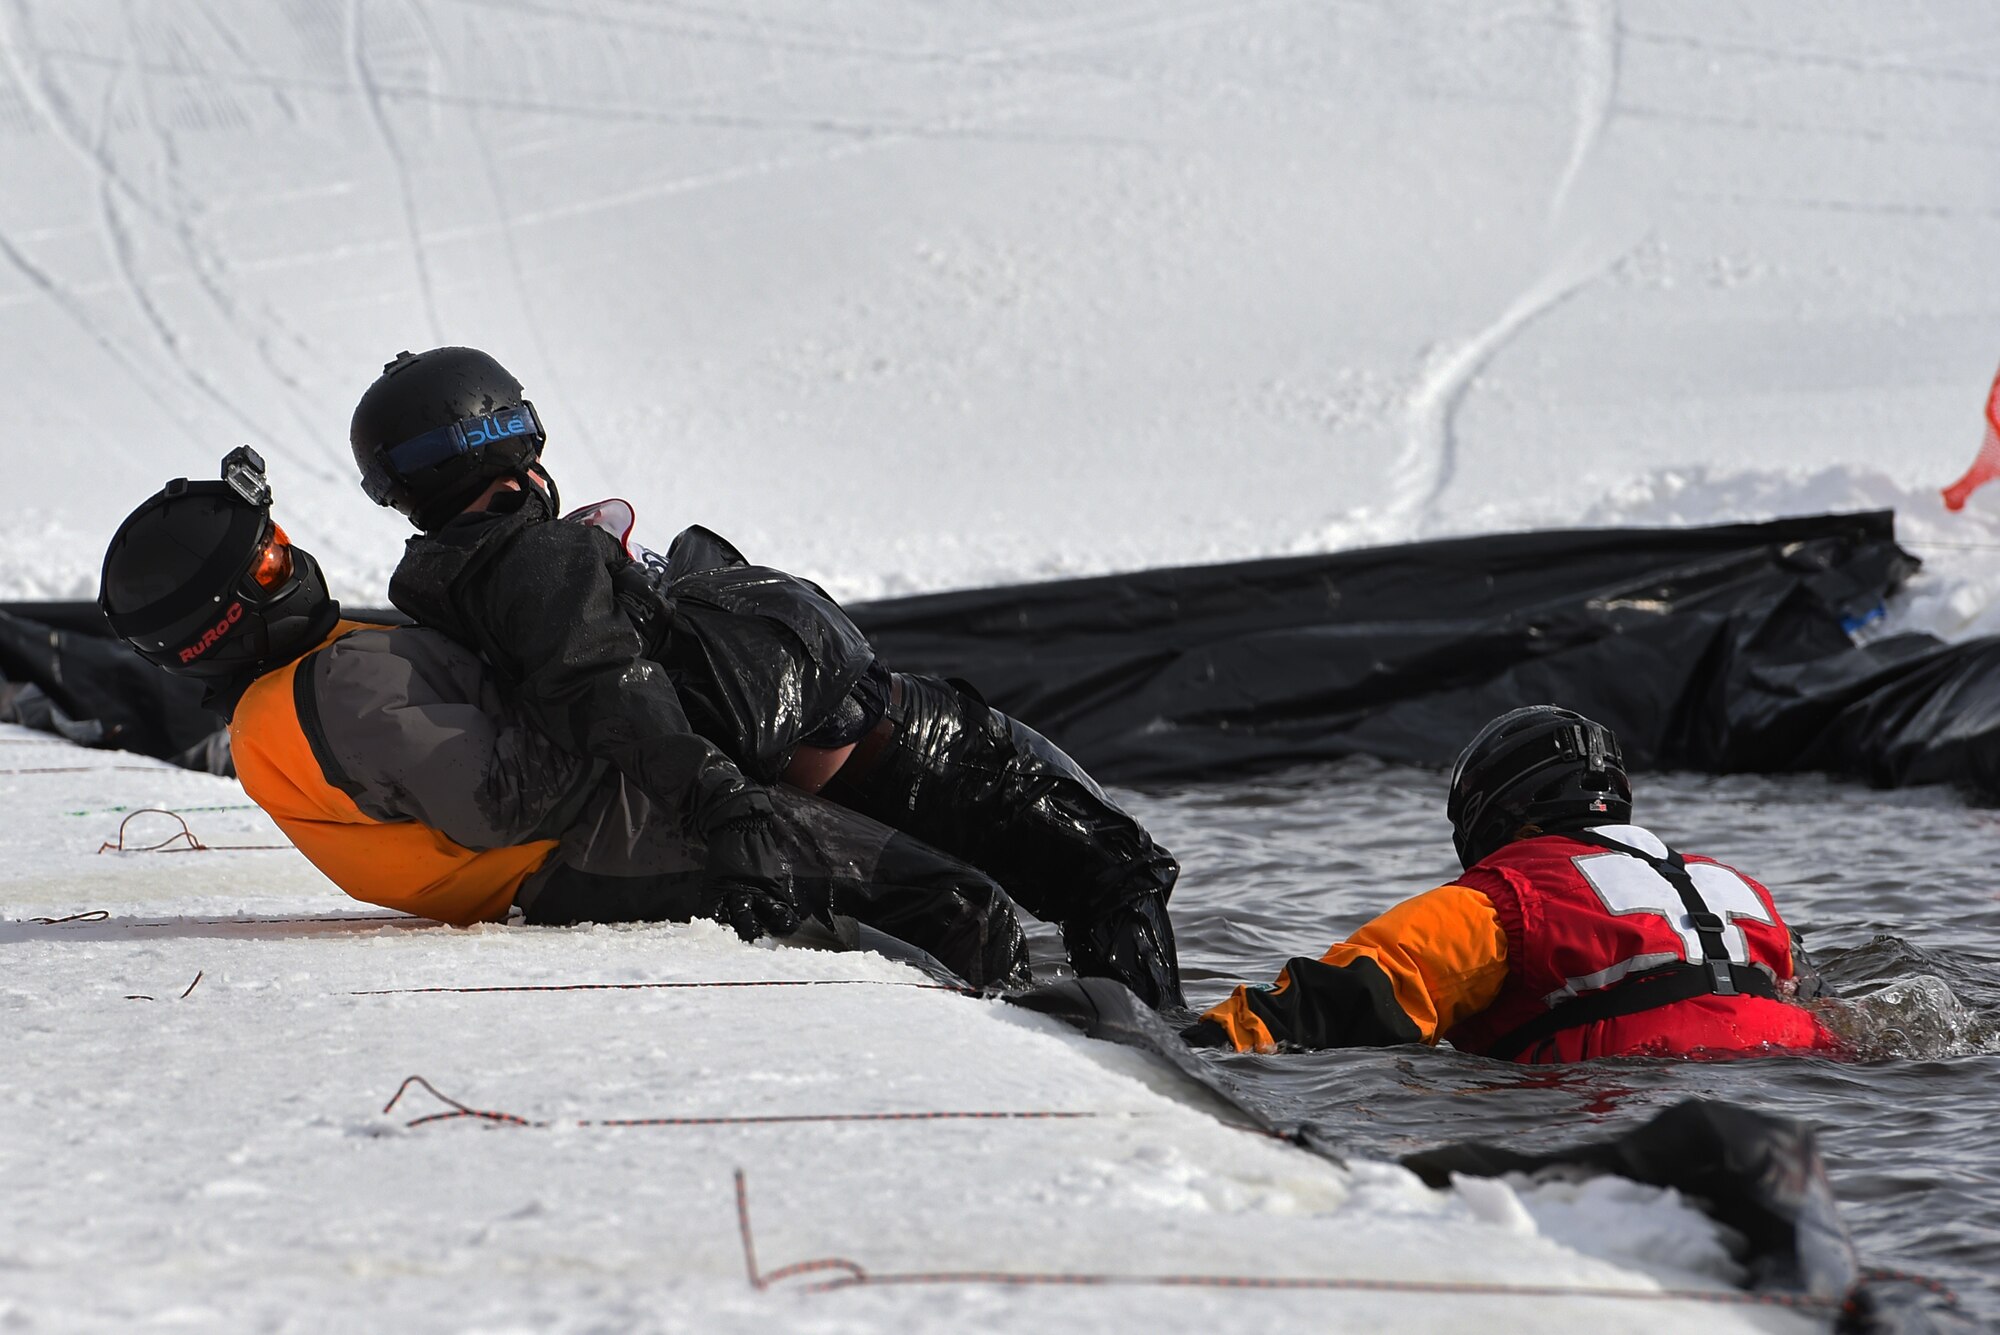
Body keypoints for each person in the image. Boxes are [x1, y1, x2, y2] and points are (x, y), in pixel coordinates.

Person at [346, 346, 1185, 1007]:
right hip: (899, 745)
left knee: (1021, 902)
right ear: (507, 432)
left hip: (839, 760)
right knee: (1120, 870)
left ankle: (1099, 1036)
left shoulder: (465, 575)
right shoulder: (533, 558)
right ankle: (1158, 1059)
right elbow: (610, 683)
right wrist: (723, 802)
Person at [96, 448, 1029, 989]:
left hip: (590, 844)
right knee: (952, 900)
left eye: (282, 542)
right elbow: (504, 802)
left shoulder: (303, 685)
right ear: (219, 623)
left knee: (914, 866)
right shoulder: (321, 693)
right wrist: (598, 679)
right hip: (597, 849)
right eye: (266, 566)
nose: (291, 565)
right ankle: (1076, 1050)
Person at [1184, 706, 1840, 1061]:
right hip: (1801, 1084)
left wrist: (1199, 1043)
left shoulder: (1505, 898)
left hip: (1631, 1099)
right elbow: (1824, 1008)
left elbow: (1359, 991)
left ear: (1494, 811)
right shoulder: (1744, 892)